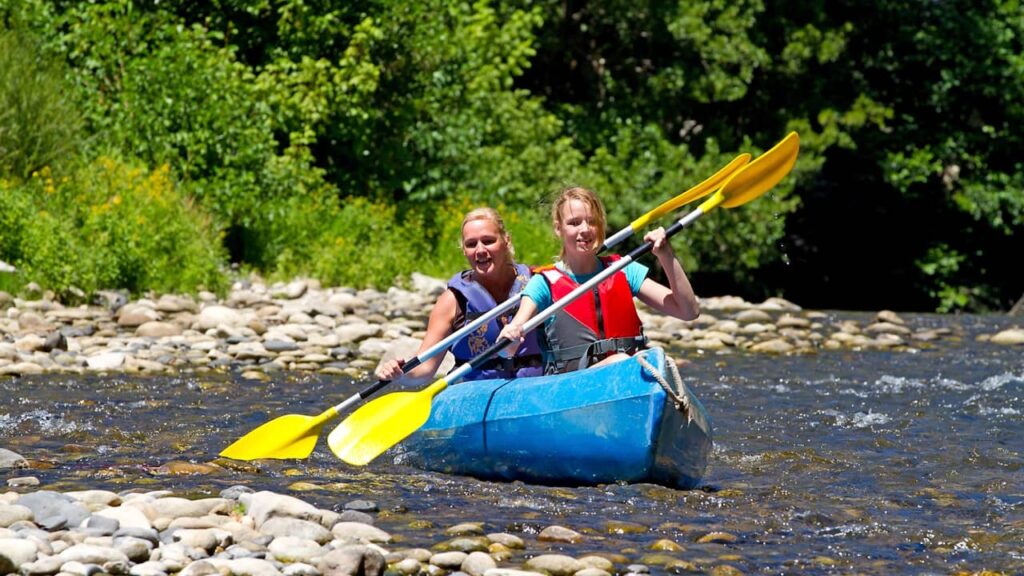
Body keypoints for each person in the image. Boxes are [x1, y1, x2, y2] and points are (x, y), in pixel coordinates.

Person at [498, 186, 699, 374]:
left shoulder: (623, 269)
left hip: (627, 374)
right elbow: (509, 347)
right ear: (558, 229)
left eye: (592, 221)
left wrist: (665, 255)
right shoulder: (543, 284)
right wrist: (511, 338)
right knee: (623, 361)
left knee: (653, 360)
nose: (585, 229)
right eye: (574, 223)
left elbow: (688, 311)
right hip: (572, 385)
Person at [375, 207, 543, 384]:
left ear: (506, 241)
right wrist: (401, 374)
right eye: (471, 244)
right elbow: (425, 369)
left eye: (488, 241)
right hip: (477, 392)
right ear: (464, 250)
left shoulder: (538, 284)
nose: (480, 250)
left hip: (537, 388)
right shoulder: (452, 301)